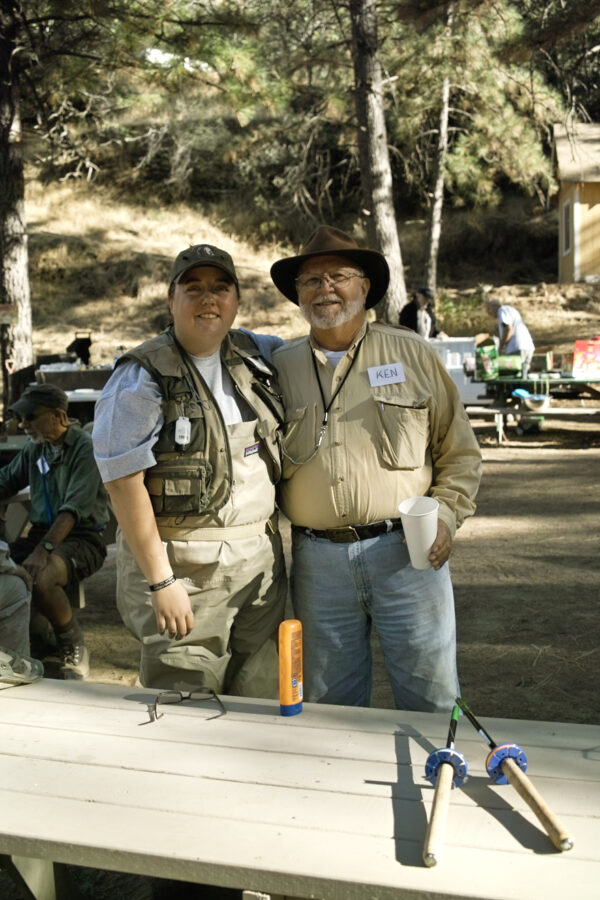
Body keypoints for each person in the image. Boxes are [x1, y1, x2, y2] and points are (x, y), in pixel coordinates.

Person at [269, 225, 482, 712]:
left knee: (430, 695)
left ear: (365, 287)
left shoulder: (412, 354)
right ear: (297, 295)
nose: (325, 289)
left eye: (339, 276)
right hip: (318, 563)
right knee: (328, 705)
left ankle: (437, 781)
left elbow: (460, 453)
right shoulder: (279, 369)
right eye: (311, 280)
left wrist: (445, 516)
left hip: (407, 554)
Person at [92, 243, 287, 697]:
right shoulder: (140, 377)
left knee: (261, 701)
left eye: (221, 288)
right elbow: (123, 484)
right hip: (186, 574)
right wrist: (162, 582)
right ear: (170, 299)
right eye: (193, 288)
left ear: (237, 299)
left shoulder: (259, 357)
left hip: (261, 574)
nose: (209, 299)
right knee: (187, 708)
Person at [0, 383, 109, 679]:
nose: (23, 425)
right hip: (42, 535)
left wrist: (42, 551)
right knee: (8, 572)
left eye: (30, 417)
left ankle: (71, 643)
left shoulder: (85, 447)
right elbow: (7, 479)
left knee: (42, 575)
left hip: (82, 538)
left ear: (58, 415)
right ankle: (37, 643)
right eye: (21, 419)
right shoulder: (36, 447)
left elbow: (72, 509)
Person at [485, 299, 535, 370]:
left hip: (517, 347)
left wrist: (501, 346)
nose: (489, 314)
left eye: (489, 310)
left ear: (493, 307)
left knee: (515, 373)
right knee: (524, 373)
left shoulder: (501, 310)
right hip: (527, 346)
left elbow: (508, 329)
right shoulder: (509, 309)